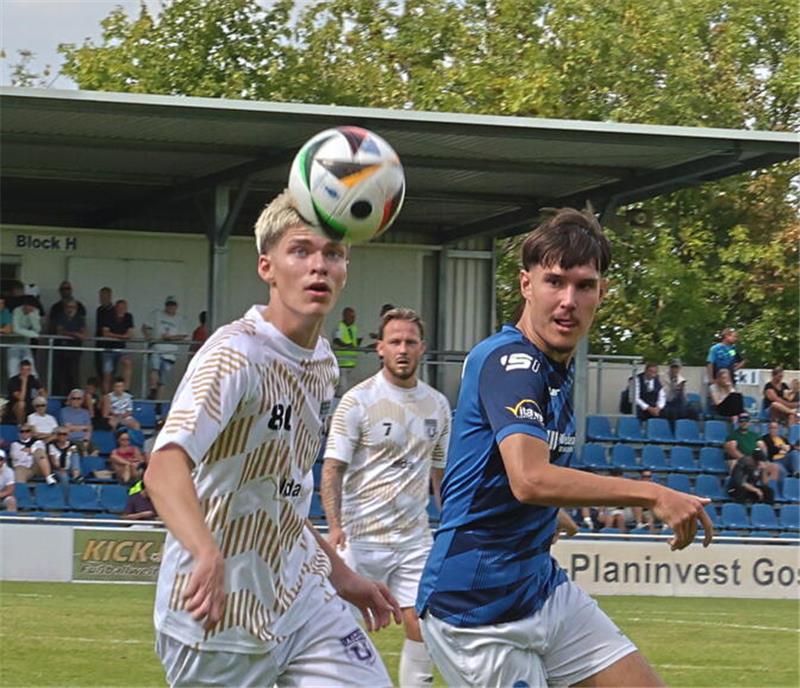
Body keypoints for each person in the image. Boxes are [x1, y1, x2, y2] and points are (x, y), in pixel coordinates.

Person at [416, 208, 712, 688]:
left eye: (584, 285)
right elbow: (530, 478)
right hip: (478, 611)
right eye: (554, 281)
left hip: (538, 587)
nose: (568, 300)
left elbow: (497, 470)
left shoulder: (556, 366)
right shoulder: (512, 361)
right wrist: (652, 494)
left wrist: (544, 513)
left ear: (602, 293)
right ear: (526, 285)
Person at [143, 190, 400, 687]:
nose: (318, 266)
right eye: (300, 251)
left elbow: (283, 497)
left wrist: (343, 577)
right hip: (216, 614)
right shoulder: (235, 356)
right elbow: (164, 465)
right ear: (267, 267)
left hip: (301, 600)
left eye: (333, 254)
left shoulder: (324, 364)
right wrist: (204, 552)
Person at [322, 307, 451, 688]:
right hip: (361, 540)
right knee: (337, 632)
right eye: (394, 341)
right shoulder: (358, 401)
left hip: (414, 539)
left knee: (422, 624)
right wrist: (335, 527)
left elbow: (440, 473)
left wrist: (450, 524)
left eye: (410, 342)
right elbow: (332, 468)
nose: (403, 349)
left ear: (422, 348)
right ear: (379, 347)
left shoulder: (438, 405)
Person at [143, 296, 188, 400]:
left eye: (172, 305)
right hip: (157, 347)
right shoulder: (157, 314)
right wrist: (148, 337)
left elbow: (183, 335)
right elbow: (145, 326)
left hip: (170, 353)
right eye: (168, 305)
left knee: (163, 379)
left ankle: (158, 401)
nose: (170, 307)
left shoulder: (180, 319)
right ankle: (153, 391)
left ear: (176, 307)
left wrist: (171, 338)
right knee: (154, 368)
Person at [51, 298, 87, 395]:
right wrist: (75, 334)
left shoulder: (80, 318)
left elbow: (83, 335)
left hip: (74, 352)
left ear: (76, 308)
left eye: (72, 307)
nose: (69, 309)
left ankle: (74, 398)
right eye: (67, 307)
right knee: (60, 377)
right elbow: (59, 332)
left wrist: (69, 334)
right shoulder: (61, 316)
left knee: (73, 376)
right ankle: (60, 399)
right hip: (60, 351)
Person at [101, 299, 135, 392]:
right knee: (108, 374)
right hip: (108, 348)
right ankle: (106, 396)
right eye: (119, 308)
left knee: (128, 363)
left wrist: (116, 336)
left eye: (123, 308)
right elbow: (105, 333)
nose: (121, 309)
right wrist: (121, 336)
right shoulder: (108, 316)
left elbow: (130, 334)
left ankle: (126, 390)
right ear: (115, 308)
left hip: (121, 348)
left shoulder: (128, 317)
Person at [8, 296, 42, 378]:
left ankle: (33, 390)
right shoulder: (17, 310)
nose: (32, 309)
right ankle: (13, 390)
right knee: (13, 369)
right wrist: (33, 335)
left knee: (31, 369)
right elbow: (16, 329)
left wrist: (32, 317)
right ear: (25, 305)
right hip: (13, 343)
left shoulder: (35, 311)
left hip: (26, 343)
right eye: (30, 306)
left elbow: (37, 329)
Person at [6, 360, 45, 426]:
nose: (26, 372)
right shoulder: (13, 380)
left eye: (28, 370)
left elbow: (43, 391)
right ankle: (20, 424)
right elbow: (21, 398)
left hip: (30, 403)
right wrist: (24, 381)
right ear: (20, 370)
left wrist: (40, 397)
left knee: (41, 403)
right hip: (14, 405)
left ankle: (40, 424)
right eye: (24, 369)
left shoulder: (32, 378)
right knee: (22, 404)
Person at [333, 306, 361, 396]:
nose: (353, 319)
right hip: (342, 362)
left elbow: (354, 341)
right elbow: (336, 340)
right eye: (351, 317)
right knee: (343, 387)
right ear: (344, 316)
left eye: (354, 317)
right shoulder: (340, 327)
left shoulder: (354, 328)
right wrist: (347, 345)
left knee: (349, 385)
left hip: (351, 362)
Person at [95, 286, 115, 378]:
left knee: (109, 371)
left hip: (110, 345)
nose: (103, 299)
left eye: (105, 296)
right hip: (99, 343)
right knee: (99, 369)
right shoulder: (99, 310)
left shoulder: (114, 311)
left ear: (110, 297)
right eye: (101, 297)